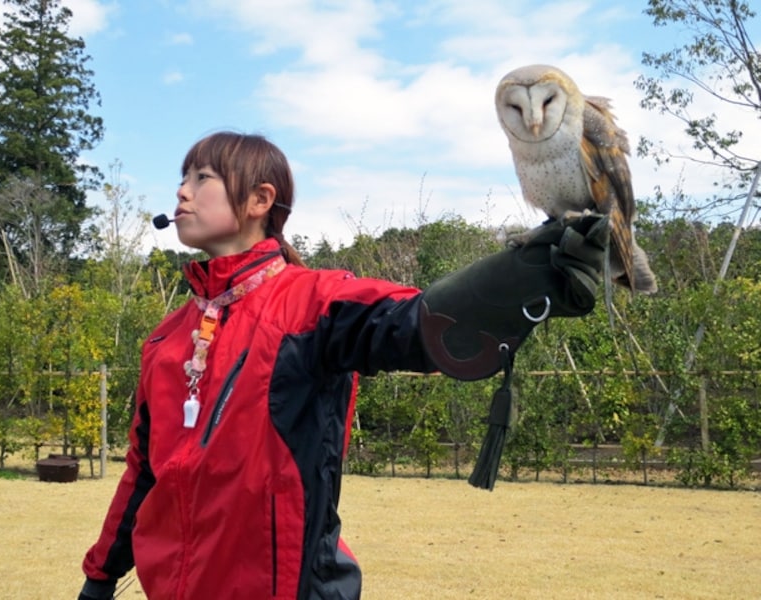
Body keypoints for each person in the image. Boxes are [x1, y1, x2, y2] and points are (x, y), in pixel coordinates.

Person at [78, 131, 608, 600]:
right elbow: (144, 474)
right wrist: (100, 576)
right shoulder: (165, 340)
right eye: (182, 177)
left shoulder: (316, 303)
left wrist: (526, 275)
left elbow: (413, 323)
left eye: (202, 177)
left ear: (261, 199)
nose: (182, 191)